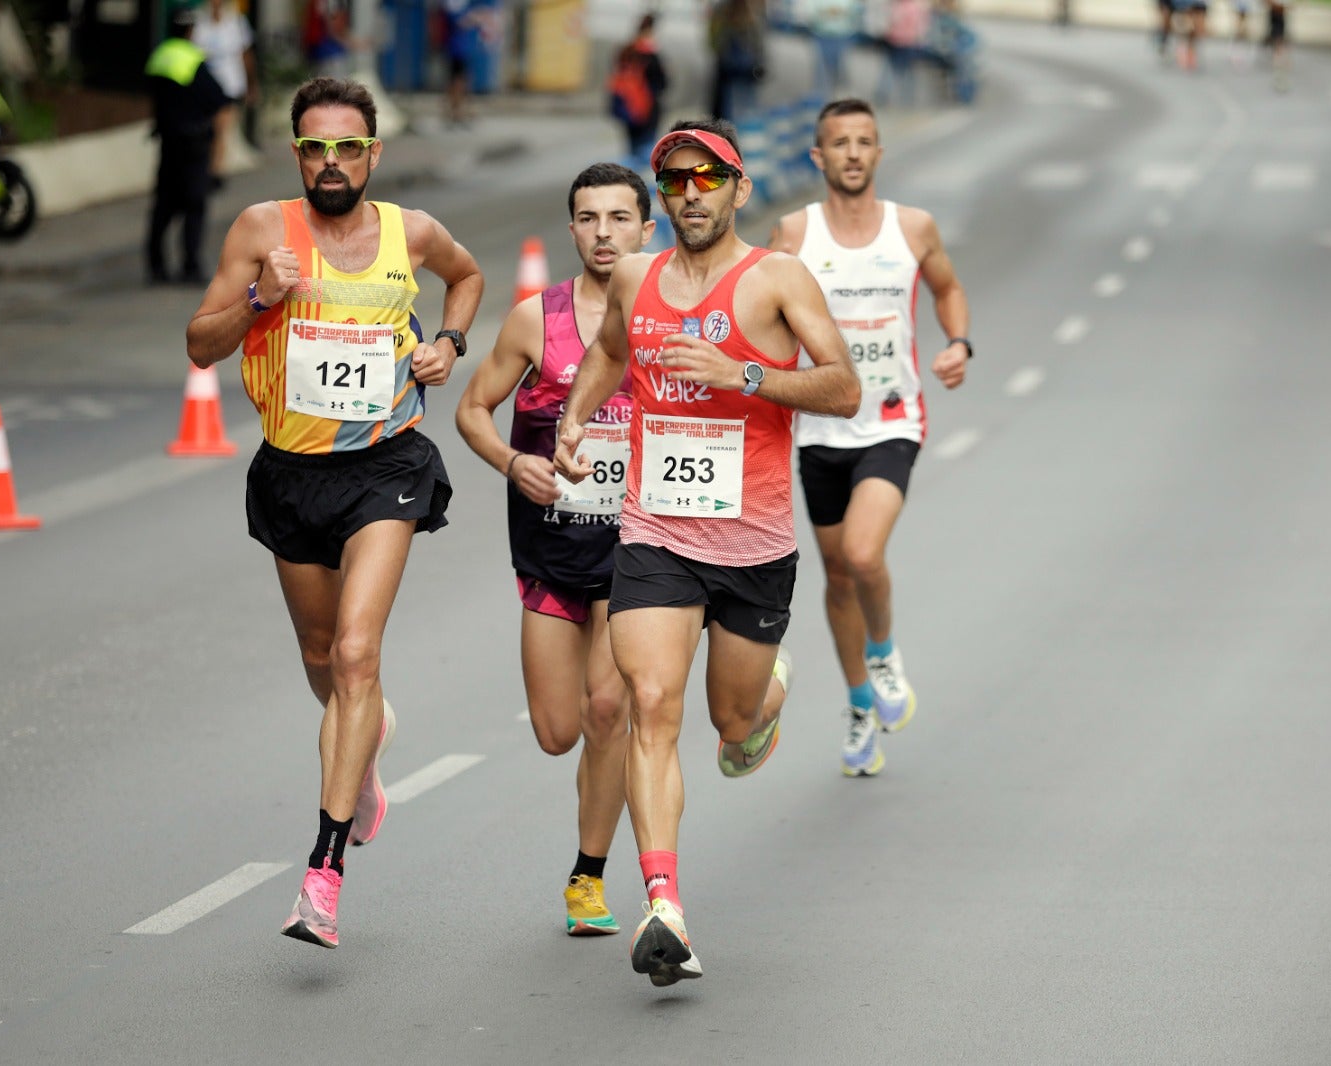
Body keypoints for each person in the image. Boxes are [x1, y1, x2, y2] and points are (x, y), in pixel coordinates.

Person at [554, 120, 861, 986]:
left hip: (754, 542)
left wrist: (748, 376)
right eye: (675, 179)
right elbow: (610, 354)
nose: (691, 193)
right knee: (651, 702)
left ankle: (768, 695)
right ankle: (664, 906)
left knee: (731, 723)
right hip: (656, 532)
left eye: (708, 178)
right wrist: (576, 421)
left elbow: (843, 385)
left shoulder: (776, 280)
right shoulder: (636, 276)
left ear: (739, 188)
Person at [185, 76, 484, 949]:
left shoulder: (410, 232)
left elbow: (465, 277)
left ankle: (322, 874)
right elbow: (199, 345)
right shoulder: (260, 232)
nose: (330, 162)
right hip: (291, 472)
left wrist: (448, 343)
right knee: (323, 658)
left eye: (347, 147)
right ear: (296, 155)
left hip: (386, 464)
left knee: (357, 651)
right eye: (314, 147)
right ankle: (370, 731)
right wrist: (256, 301)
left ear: (373, 155)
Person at [455, 163, 655, 937]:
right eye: (588, 218)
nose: (604, 232)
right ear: (571, 230)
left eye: (619, 217)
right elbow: (473, 410)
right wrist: (514, 462)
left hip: (637, 551)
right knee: (556, 731)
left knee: (610, 708)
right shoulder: (540, 320)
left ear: (646, 228)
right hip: (549, 549)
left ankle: (589, 877)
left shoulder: (668, 317)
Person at [767, 97, 970, 778]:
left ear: (879, 153)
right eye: (839, 143)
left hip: (891, 421)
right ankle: (859, 703)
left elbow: (947, 289)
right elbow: (758, 315)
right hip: (819, 429)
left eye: (865, 141)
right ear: (818, 156)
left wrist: (959, 343)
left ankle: (883, 653)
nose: (853, 153)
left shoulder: (912, 228)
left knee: (861, 554)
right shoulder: (793, 235)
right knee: (836, 579)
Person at [144, 7, 231, 284]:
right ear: (191, 31)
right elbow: (218, 99)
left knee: (163, 205)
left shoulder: (159, 57)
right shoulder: (193, 60)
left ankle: (156, 266)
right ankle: (190, 266)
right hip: (194, 145)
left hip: (168, 143)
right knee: (194, 205)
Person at [193, 0, 259, 182]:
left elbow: (246, 54)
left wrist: (251, 84)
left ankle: (215, 171)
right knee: (206, 129)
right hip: (204, 85)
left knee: (221, 128)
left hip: (229, 85)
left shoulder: (236, 22)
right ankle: (206, 168)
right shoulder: (199, 22)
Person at [609, 15, 669, 159]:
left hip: (628, 107)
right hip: (647, 108)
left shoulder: (627, 50)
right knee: (645, 151)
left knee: (632, 149)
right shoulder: (651, 54)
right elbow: (663, 83)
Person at [708, 0, 766, 123]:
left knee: (728, 110)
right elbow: (759, 46)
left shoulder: (722, 12)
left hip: (731, 72)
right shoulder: (751, 12)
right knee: (741, 109)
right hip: (739, 73)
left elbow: (713, 43)